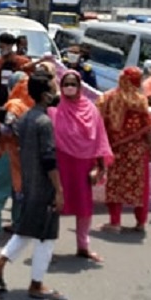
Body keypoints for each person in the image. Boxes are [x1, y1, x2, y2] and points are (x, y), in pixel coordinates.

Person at [0, 70, 67, 300]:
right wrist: (58, 190)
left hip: (30, 183)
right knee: (46, 236)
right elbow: (49, 159)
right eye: (53, 88)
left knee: (28, 230)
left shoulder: (27, 118)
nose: (57, 92)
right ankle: (36, 284)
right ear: (45, 95)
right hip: (43, 186)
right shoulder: (43, 122)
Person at [49, 71, 113, 262]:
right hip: (60, 163)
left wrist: (99, 167)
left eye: (73, 84)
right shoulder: (54, 108)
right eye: (66, 84)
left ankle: (83, 246)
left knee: (84, 207)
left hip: (83, 164)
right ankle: (47, 248)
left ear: (80, 86)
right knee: (54, 206)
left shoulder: (91, 109)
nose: (69, 87)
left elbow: (100, 137)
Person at [97, 67, 151, 233]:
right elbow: (147, 127)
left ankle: (115, 223)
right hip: (137, 149)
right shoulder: (141, 100)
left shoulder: (108, 97)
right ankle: (141, 222)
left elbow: (100, 122)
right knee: (139, 185)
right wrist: (150, 149)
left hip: (116, 149)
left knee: (115, 184)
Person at [0, 73, 33, 238]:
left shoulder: (14, 105)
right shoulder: (33, 105)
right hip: (25, 154)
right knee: (18, 189)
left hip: (9, 152)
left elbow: (8, 130)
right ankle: (17, 224)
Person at [0, 32, 32, 110]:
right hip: (1, 99)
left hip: (17, 100)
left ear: (10, 46)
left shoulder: (22, 61)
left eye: (2, 47)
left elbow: (32, 76)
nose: (1, 50)